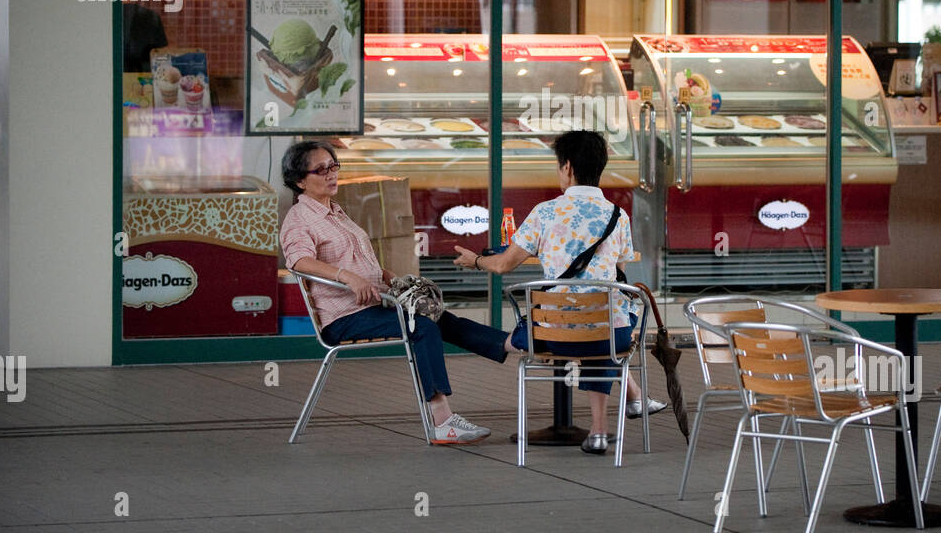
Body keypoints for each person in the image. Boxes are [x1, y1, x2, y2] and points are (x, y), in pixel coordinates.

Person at [280, 140, 517, 444]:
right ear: (300, 180)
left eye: (334, 166)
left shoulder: (336, 212)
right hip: (344, 317)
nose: (331, 174)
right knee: (423, 327)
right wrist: (348, 277)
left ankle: (513, 343)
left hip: (375, 303)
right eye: (321, 169)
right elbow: (298, 260)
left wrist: (389, 278)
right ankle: (442, 421)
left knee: (439, 318)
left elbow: (362, 261)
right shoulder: (300, 219)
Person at [453, 129, 664, 454]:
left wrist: (476, 261)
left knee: (569, 325)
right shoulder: (618, 216)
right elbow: (621, 266)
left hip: (553, 336)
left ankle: (621, 408)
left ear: (567, 167)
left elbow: (503, 265)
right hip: (611, 336)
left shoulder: (545, 212)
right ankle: (601, 428)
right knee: (601, 327)